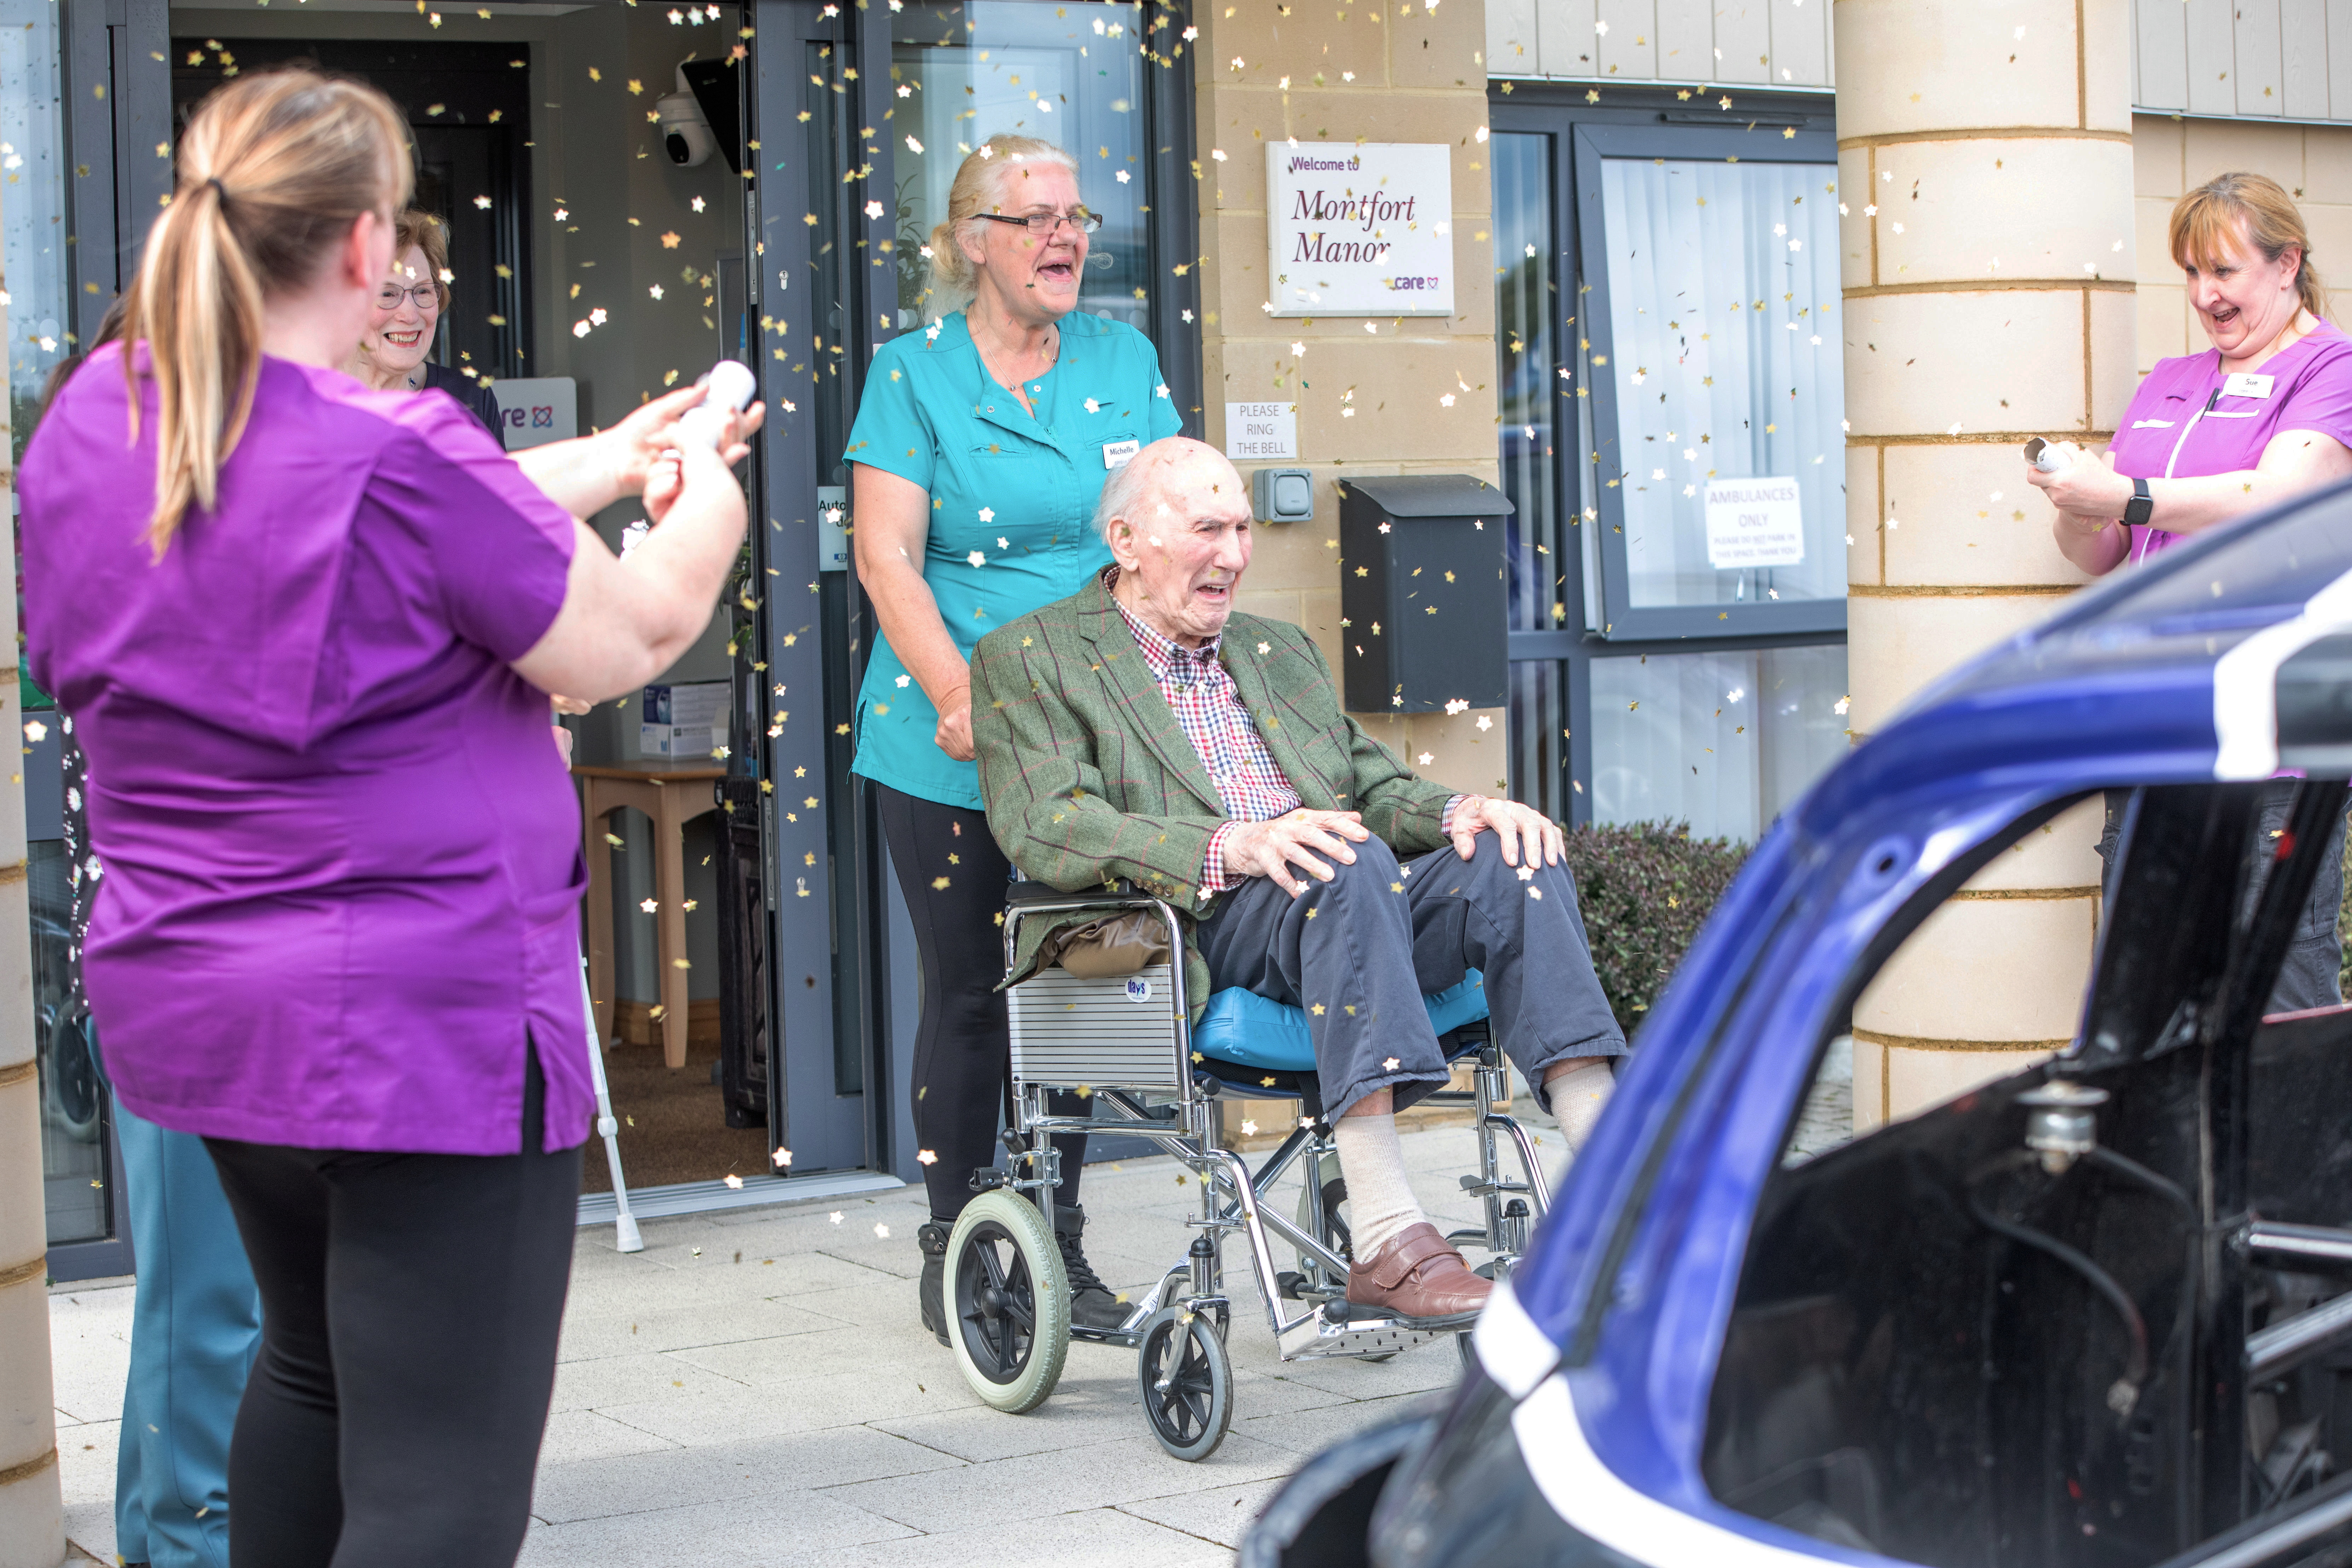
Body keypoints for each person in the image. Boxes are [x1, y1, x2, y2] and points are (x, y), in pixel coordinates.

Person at [17, 67, 756, 1568]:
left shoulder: (105, 423)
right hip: (425, 1035)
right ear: (367, 250)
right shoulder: (395, 457)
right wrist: (703, 518)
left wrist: (611, 459)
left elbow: (394, 518)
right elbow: (619, 641)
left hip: (205, 1010)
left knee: (310, 1376)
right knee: (437, 1494)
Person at [969, 438, 1626, 1322]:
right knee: (1343, 856)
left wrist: (1462, 810)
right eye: (1208, 529)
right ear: (1126, 542)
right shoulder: (1030, 655)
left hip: (1338, 901)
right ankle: (1388, 1235)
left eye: (1241, 528)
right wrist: (1230, 843)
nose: (1235, 555)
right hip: (1200, 916)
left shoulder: (1276, 649)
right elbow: (1043, 820)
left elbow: (1372, 785)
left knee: (1511, 861)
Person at [845, 133, 1183, 1342]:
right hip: (940, 731)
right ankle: (958, 1246)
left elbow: (1164, 523)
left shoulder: (1118, 357)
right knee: (970, 992)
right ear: (970, 242)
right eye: (1034, 216)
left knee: (1077, 984)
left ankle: (1060, 1242)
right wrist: (962, 700)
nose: (1063, 237)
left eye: (1076, 214)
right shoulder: (912, 373)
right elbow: (885, 556)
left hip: (1085, 732)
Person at [30, 301, 260, 1568]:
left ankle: (199, 1529)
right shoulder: (124, 475)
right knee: (207, 1292)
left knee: (240, 1293)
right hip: (183, 944)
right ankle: (181, 1541)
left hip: (253, 947)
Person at [2031, 170, 2352, 1011]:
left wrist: (2126, 495)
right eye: (2189, 272)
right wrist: (2075, 499)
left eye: (2223, 272)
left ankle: (2290, 1148)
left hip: (2268, 732)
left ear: (2285, 267)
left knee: (2272, 987)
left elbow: (2275, 497)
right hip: (2151, 725)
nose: (2203, 295)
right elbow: (2103, 551)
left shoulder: (2330, 370)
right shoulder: (2167, 380)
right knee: (2142, 990)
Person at [341, 206, 502, 437]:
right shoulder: (302, 408)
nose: (410, 314)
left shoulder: (470, 401)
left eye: (423, 291)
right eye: (387, 294)